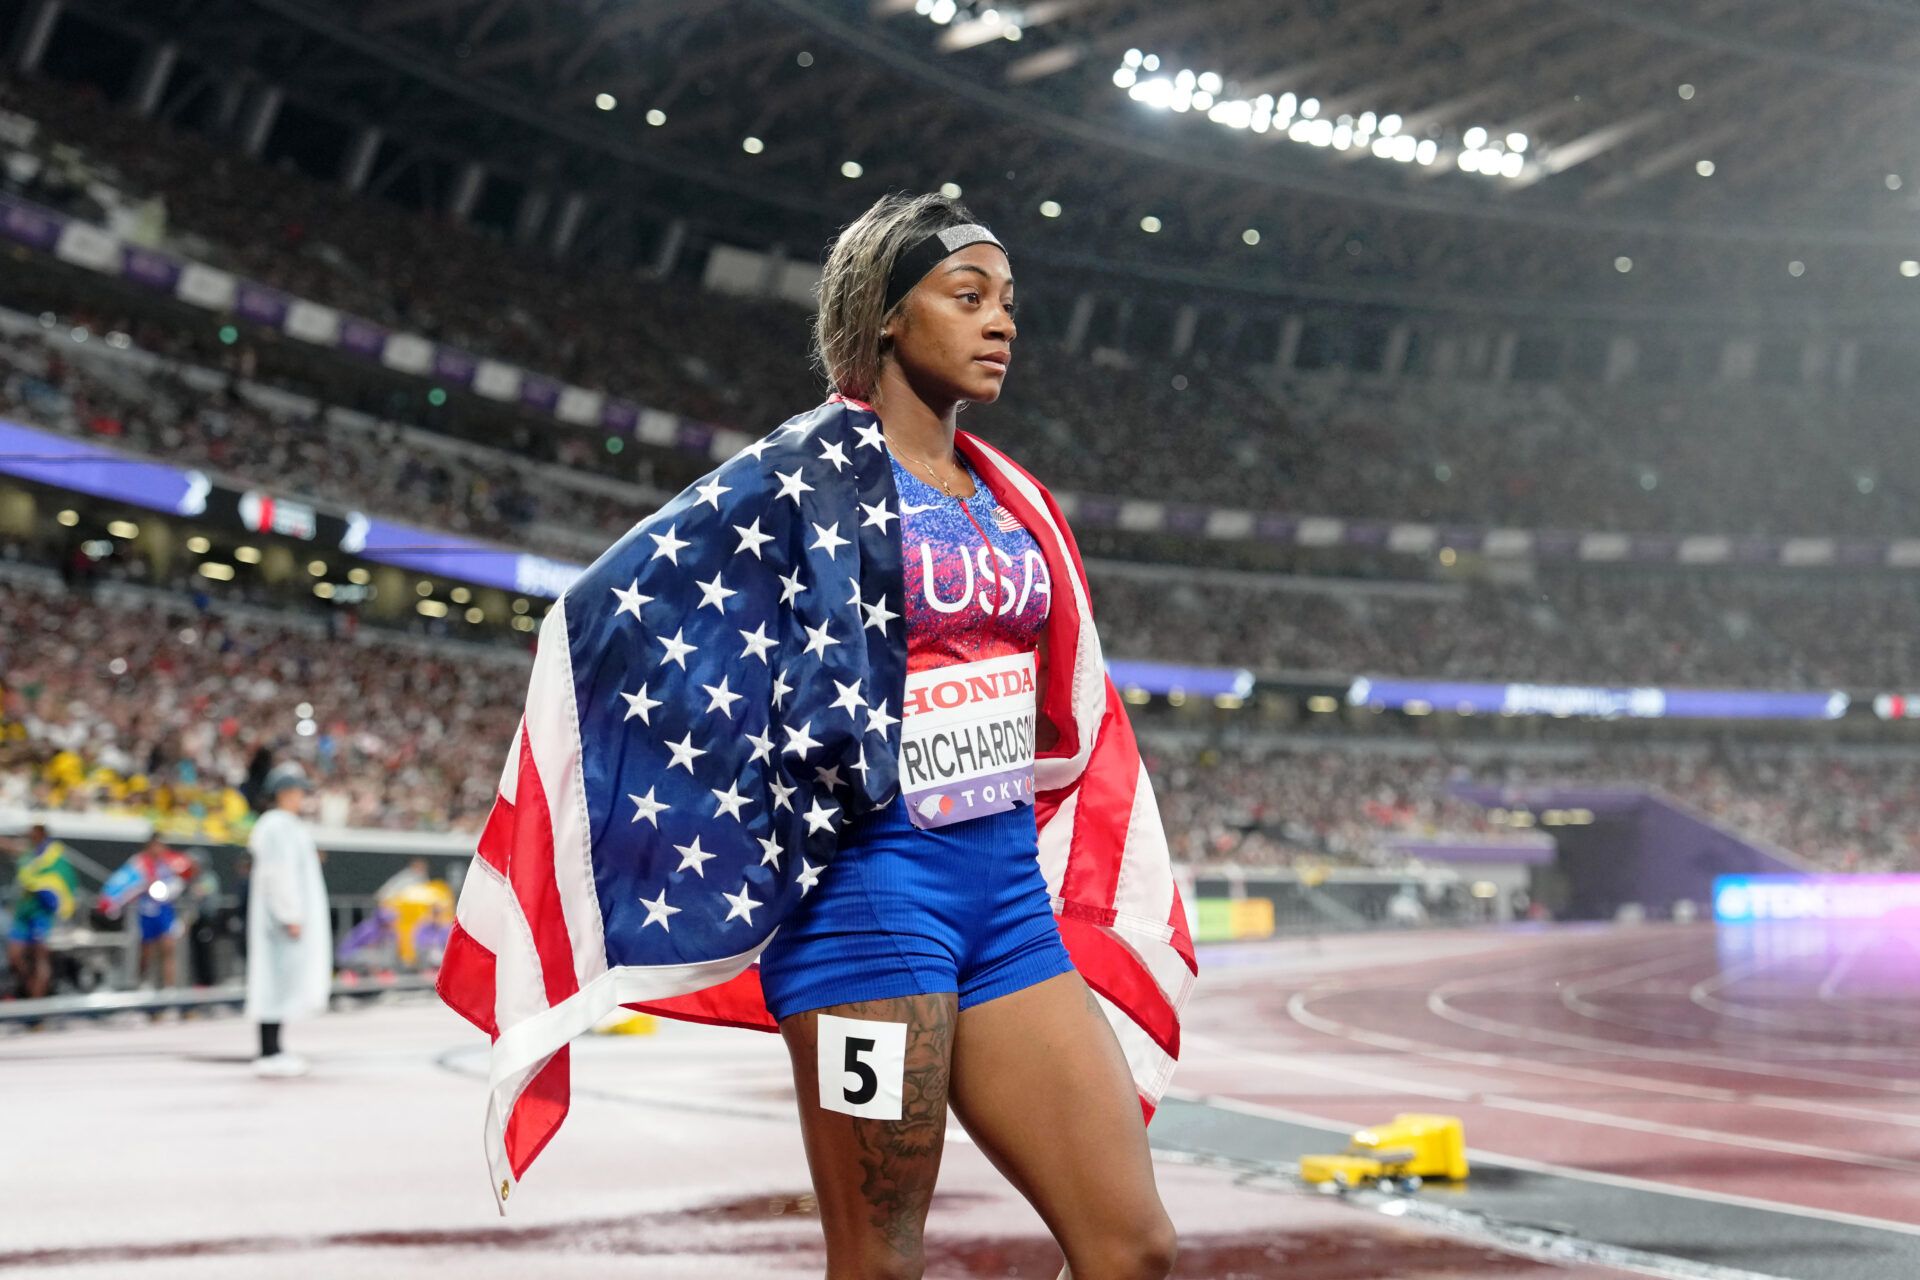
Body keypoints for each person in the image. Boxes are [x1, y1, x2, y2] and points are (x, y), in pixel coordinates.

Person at [756, 194, 1174, 1278]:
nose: (1003, 323)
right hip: (866, 899)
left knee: (1132, 1246)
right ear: (889, 315)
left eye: (1010, 304)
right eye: (969, 296)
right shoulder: (802, 481)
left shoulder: (1008, 496)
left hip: (1004, 897)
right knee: (883, 1259)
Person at [245, 763, 332, 1077]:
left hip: (285, 921)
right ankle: (268, 1051)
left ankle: (276, 1048)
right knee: (273, 983)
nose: (300, 797)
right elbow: (277, 873)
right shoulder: (275, 825)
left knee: (281, 985)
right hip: (279, 923)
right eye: (296, 791)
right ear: (283, 792)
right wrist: (289, 914)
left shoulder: (288, 825)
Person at [6, 824, 79, 999]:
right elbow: (11, 847)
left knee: (41, 958)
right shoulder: (29, 854)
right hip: (24, 912)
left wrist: (38, 886)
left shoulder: (54, 856)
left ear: (41, 834)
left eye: (32, 834)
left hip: (42, 913)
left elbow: (60, 880)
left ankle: (37, 1004)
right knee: (14, 956)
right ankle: (30, 987)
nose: (29, 837)